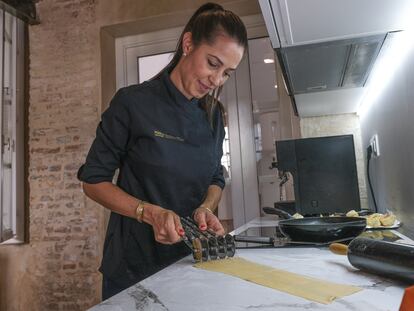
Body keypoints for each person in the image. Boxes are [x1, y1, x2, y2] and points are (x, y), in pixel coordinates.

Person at [77, 2, 248, 300]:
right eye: (213, 63)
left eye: (227, 73)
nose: (217, 80)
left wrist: (206, 208)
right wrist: (148, 213)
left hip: (192, 263)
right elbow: (93, 181)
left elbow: (215, 178)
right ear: (188, 43)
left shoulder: (214, 114)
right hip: (133, 268)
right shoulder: (132, 103)